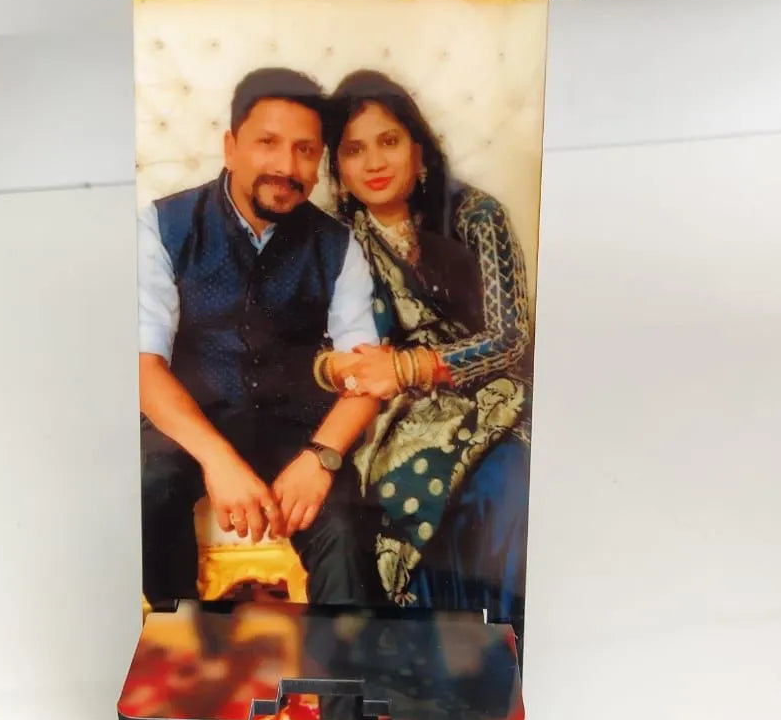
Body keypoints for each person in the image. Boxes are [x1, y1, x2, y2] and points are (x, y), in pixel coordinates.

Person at [137, 66, 383, 610]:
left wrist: (322, 457)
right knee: (148, 486)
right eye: (267, 143)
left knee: (346, 530)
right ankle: (184, 640)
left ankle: (340, 666)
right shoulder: (164, 225)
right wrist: (218, 460)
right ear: (231, 147)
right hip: (191, 422)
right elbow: (143, 366)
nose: (286, 167)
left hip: (295, 429)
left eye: (304, 151)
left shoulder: (339, 246)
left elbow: (367, 374)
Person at [320, 69, 532, 646]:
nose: (374, 162)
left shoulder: (475, 216)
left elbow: (511, 337)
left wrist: (410, 366)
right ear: (338, 168)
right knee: (396, 498)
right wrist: (340, 367)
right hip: (395, 420)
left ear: (418, 149)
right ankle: (436, 676)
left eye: (388, 141)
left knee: (502, 490)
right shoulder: (334, 241)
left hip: (497, 402)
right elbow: (317, 348)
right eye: (354, 150)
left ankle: (501, 662)